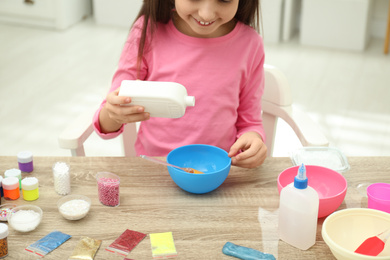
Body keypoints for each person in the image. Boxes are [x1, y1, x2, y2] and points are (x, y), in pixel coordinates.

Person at [93, 0, 267, 168]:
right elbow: (106, 123)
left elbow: (249, 123)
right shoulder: (147, 31)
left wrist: (254, 139)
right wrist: (113, 113)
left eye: (225, 0)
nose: (206, 14)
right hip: (154, 168)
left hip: (216, 170)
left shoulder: (250, 44)